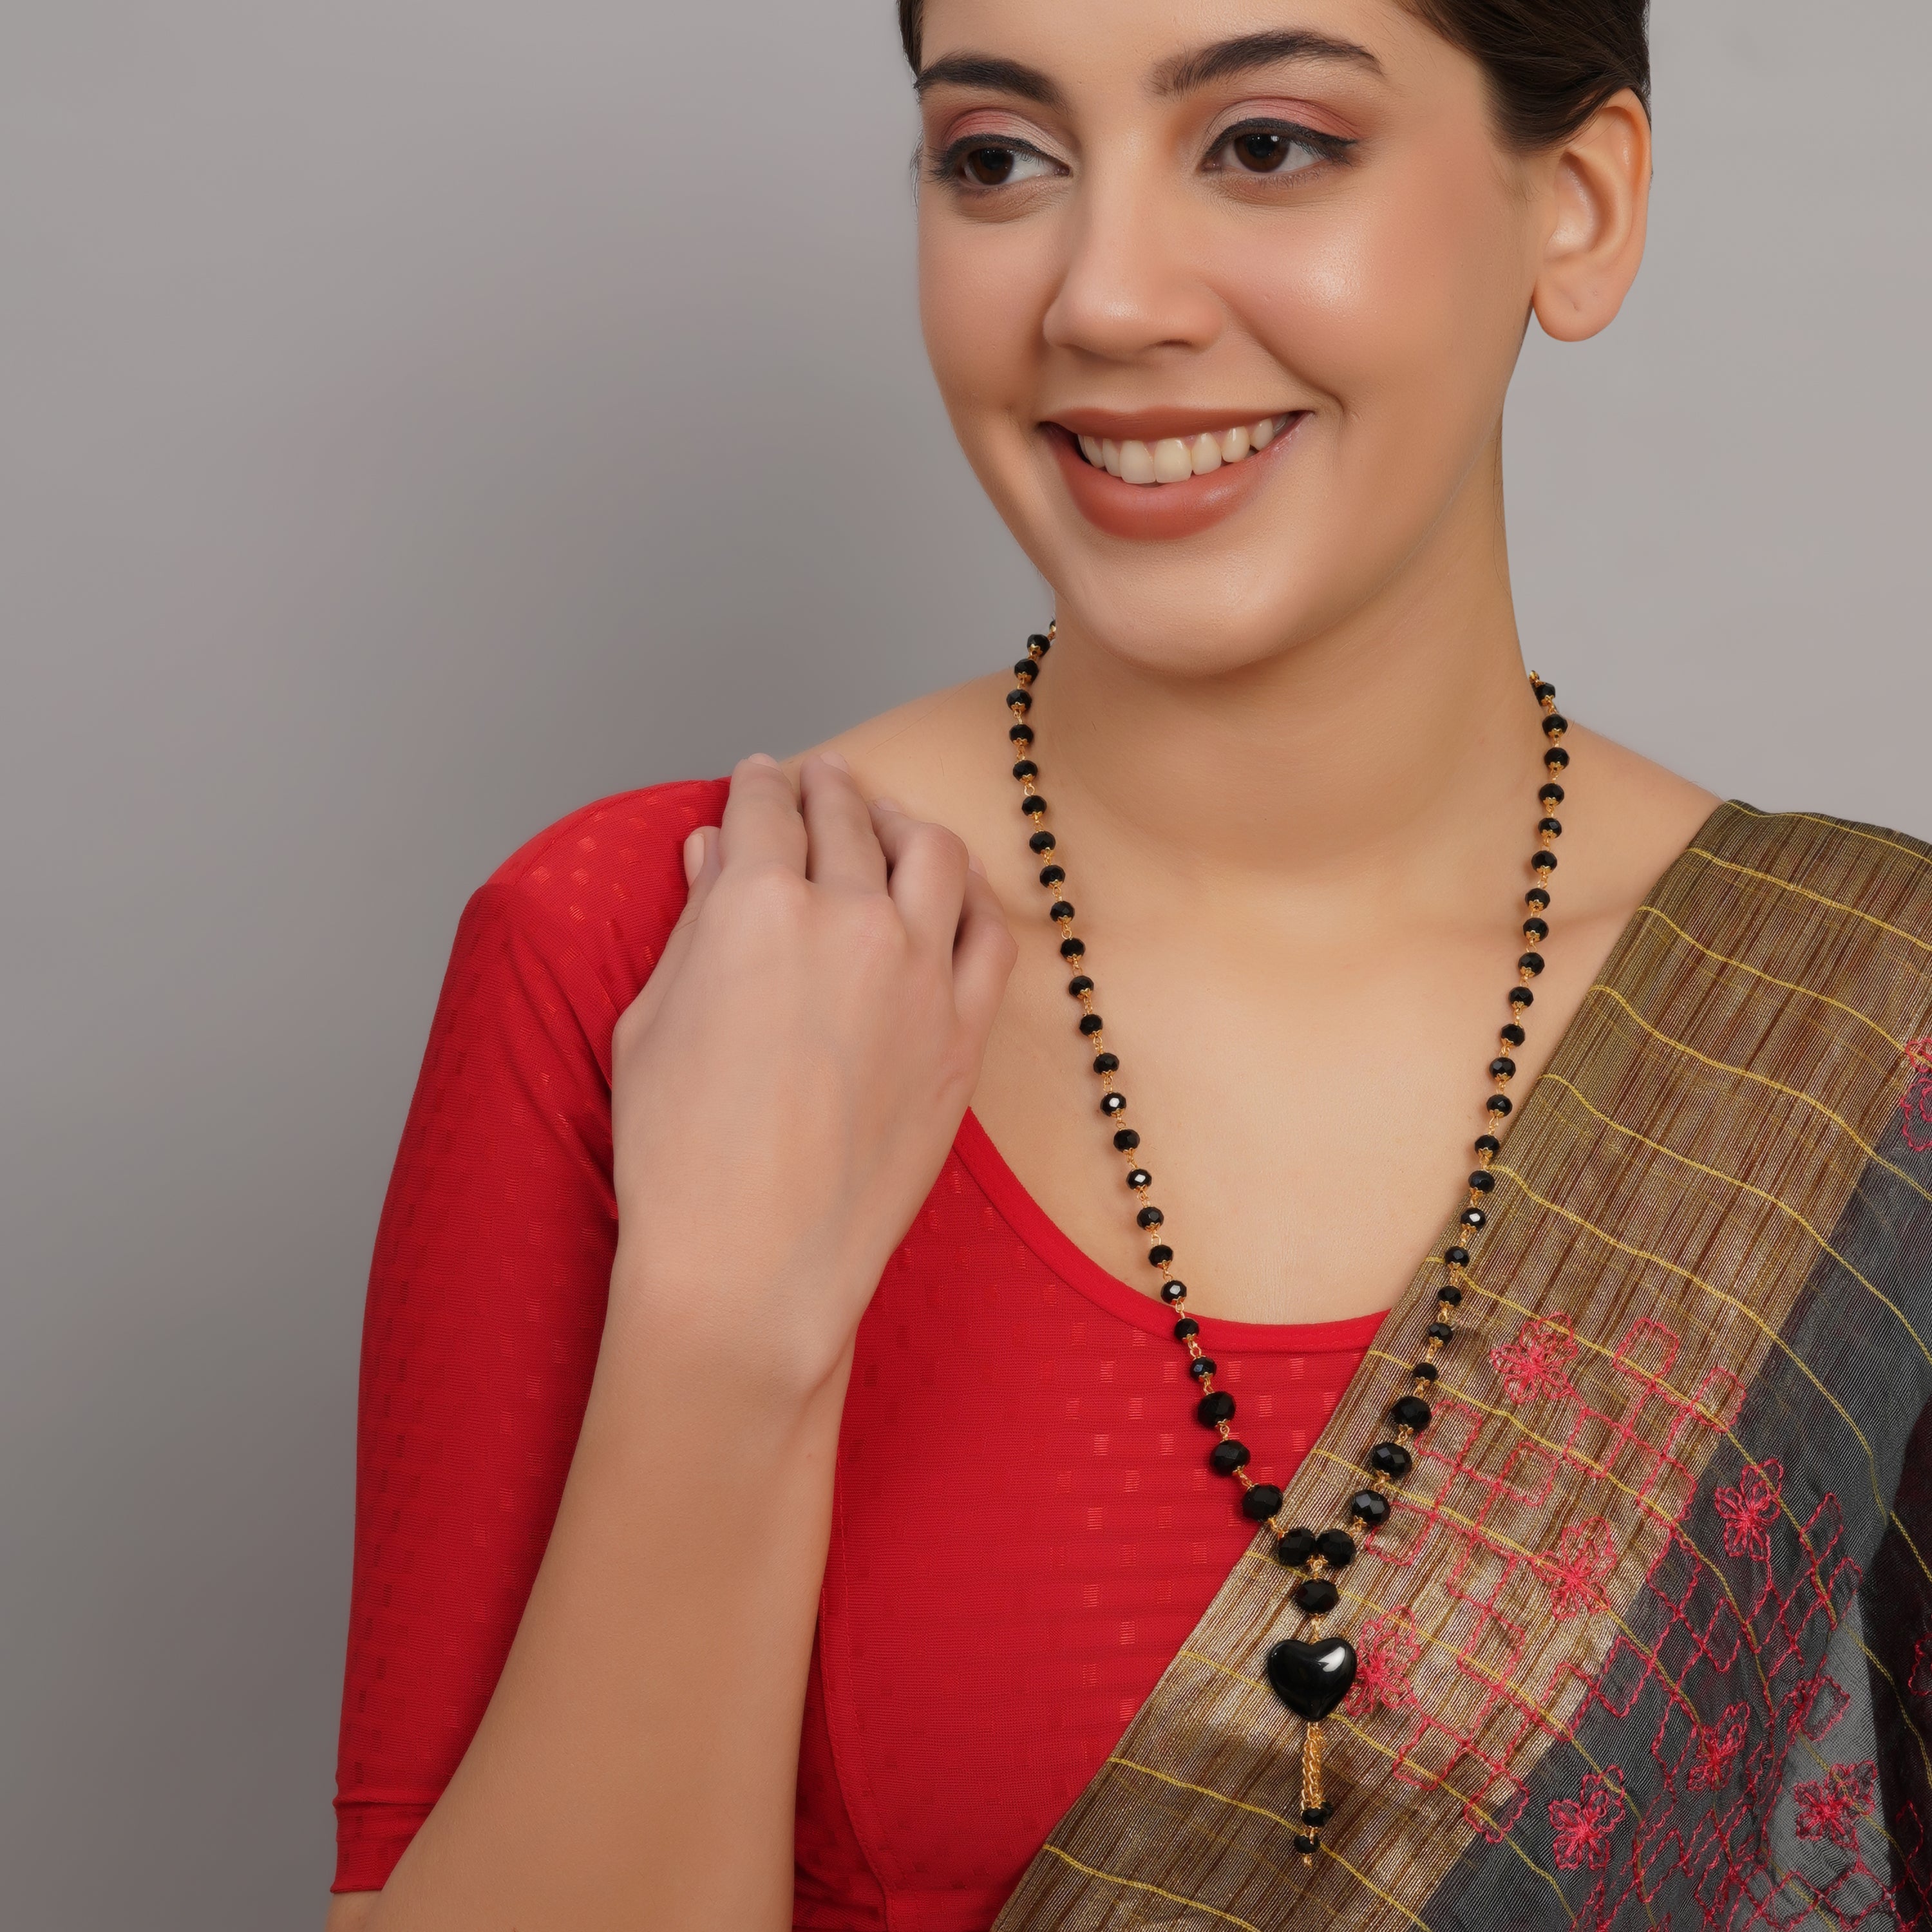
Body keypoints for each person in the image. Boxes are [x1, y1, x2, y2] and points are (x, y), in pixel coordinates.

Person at [324, 0, 1932, 1926]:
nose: (1101, 299)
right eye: (998, 160)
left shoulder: (1869, 1039)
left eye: (1266, 145)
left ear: (1578, 204)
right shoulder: (654, 957)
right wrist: (727, 1337)